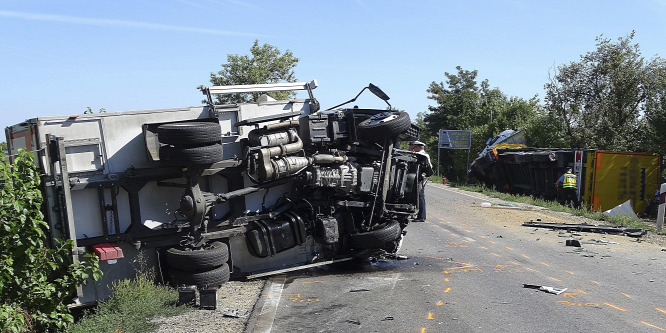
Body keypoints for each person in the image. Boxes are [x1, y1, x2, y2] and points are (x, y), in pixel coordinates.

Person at [409, 141, 433, 221]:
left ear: (419, 147)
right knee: (416, 195)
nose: (413, 149)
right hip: (418, 177)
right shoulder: (420, 155)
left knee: (420, 196)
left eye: (415, 147)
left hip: (422, 178)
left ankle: (421, 216)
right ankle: (416, 213)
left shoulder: (422, 155)